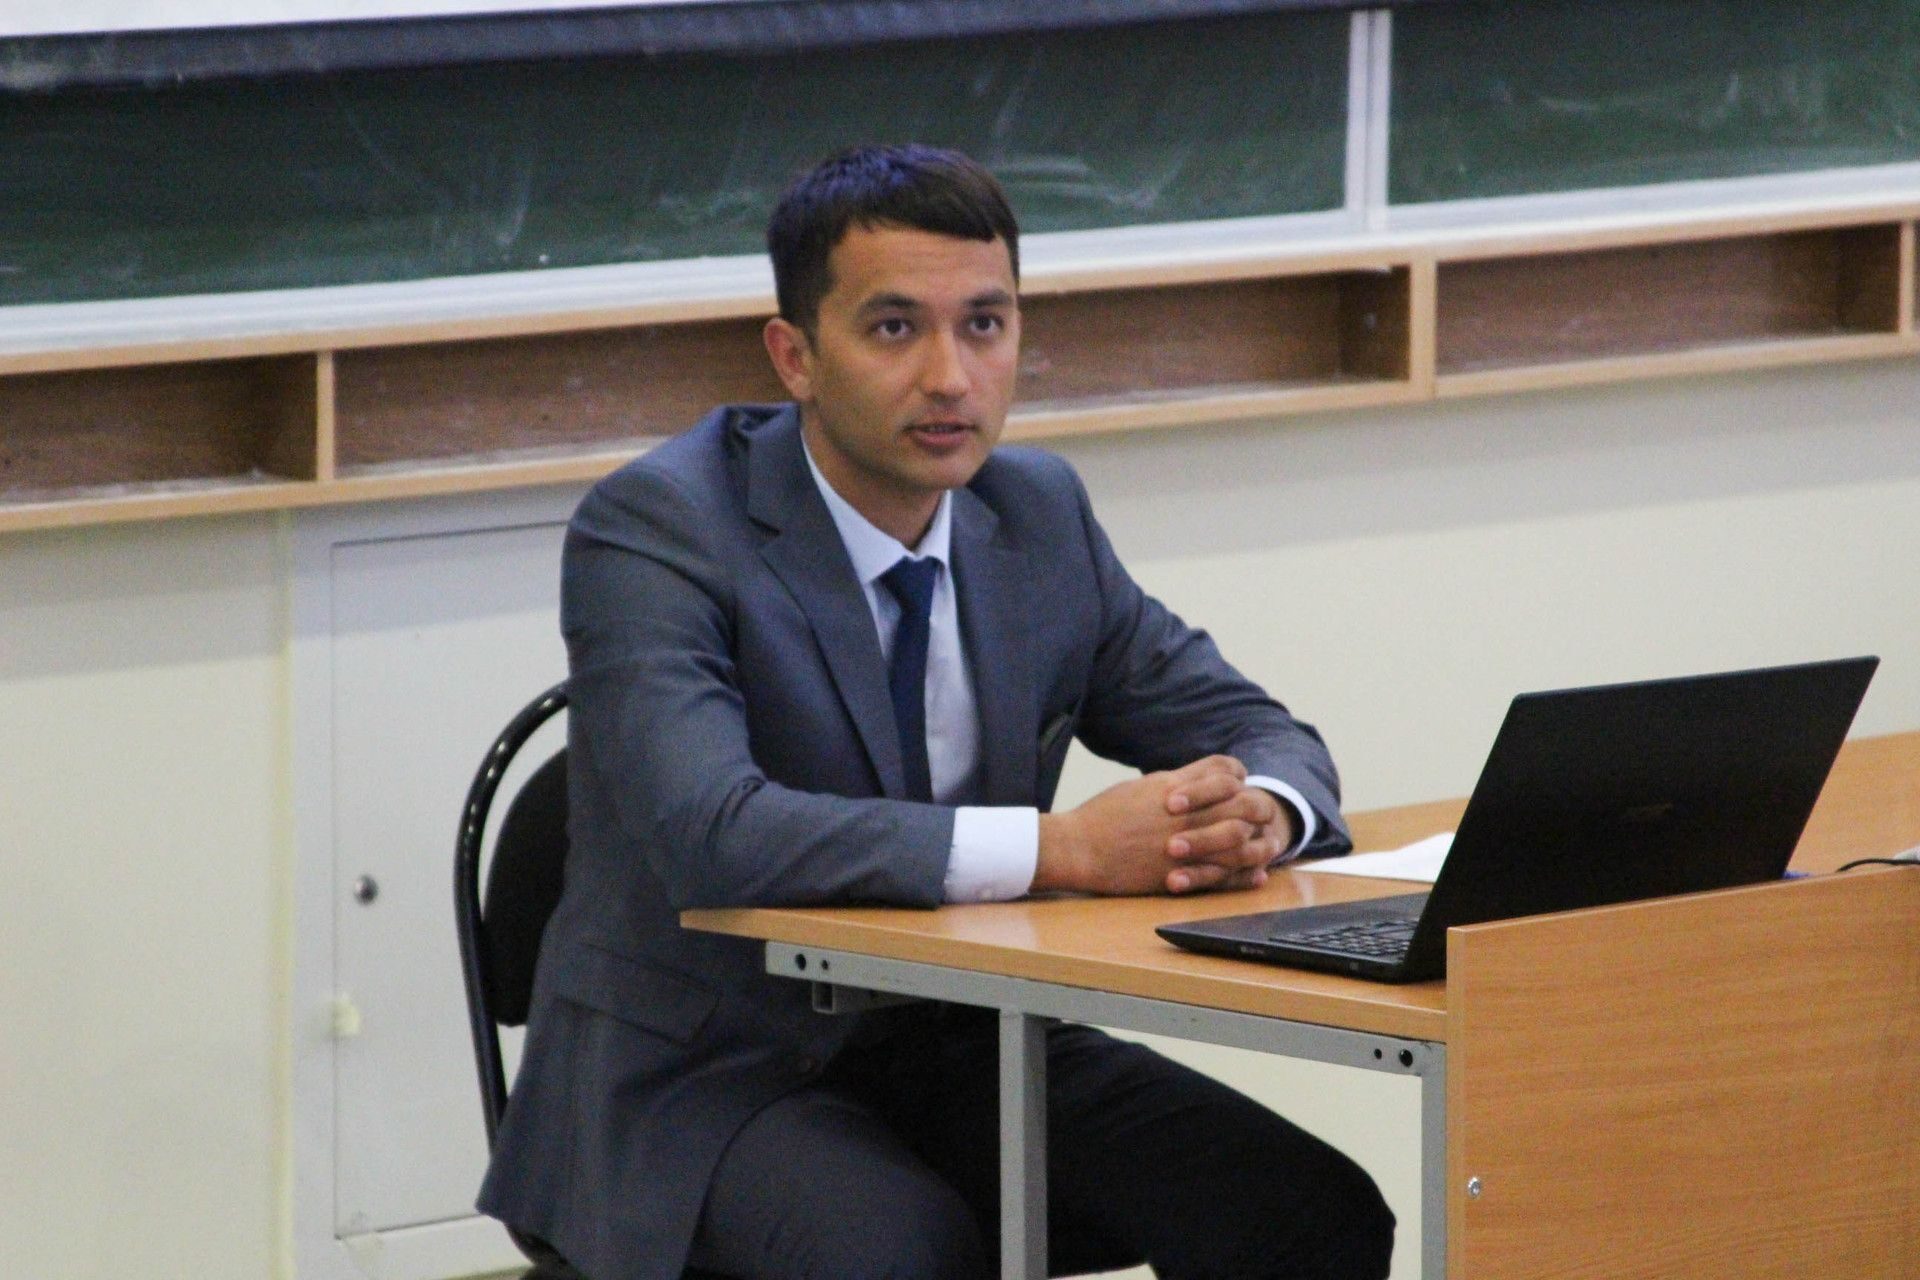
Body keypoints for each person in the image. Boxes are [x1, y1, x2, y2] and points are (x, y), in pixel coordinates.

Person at [479, 144, 1394, 1280]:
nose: (952, 377)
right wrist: (1065, 849)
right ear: (796, 356)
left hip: (963, 1041)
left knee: (1304, 1209)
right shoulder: (661, 526)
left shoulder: (1036, 512)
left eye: (985, 325)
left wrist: (1260, 810)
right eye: (895, 328)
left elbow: (1262, 731)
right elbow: (712, 832)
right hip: (702, 1079)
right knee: (904, 1254)